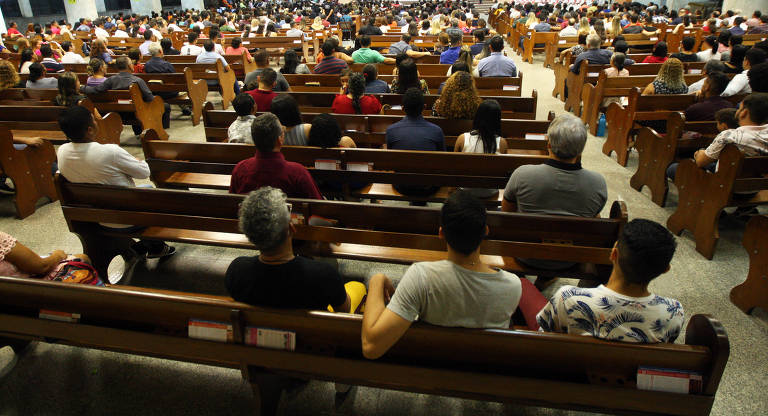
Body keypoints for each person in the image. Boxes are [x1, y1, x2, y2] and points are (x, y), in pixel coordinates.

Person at [361, 190, 523, 359]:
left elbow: (370, 347)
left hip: (432, 367)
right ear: (486, 231)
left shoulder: (421, 277)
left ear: (441, 234)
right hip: (484, 372)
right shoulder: (513, 286)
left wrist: (376, 280)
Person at [537, 219, 683, 343]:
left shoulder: (568, 298)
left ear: (613, 253)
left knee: (524, 286)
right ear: (666, 269)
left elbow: (544, 335)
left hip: (568, 370)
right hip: (630, 375)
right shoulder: (674, 312)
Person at [56, 105, 174, 258]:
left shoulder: (62, 152)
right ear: (90, 130)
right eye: (94, 120)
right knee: (153, 194)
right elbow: (144, 171)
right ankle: (155, 246)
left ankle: (140, 246)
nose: (97, 122)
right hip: (130, 218)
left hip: (96, 218)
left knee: (145, 189)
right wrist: (136, 161)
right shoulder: (110, 152)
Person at [225, 187, 363, 312]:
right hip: (314, 335)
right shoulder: (323, 274)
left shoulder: (236, 270)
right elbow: (344, 310)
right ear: (291, 229)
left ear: (250, 235)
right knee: (358, 286)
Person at [229, 112, 322, 198]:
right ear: (280, 139)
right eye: (282, 131)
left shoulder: (240, 169)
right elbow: (318, 206)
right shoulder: (298, 173)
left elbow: (231, 204)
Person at [81, 56, 171, 134]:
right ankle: (159, 130)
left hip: (119, 113)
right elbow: (150, 98)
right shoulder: (137, 81)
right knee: (165, 106)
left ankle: (139, 132)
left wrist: (80, 87)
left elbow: (95, 90)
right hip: (137, 113)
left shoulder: (111, 80)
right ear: (129, 66)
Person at [693, 93, 768, 168]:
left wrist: (701, 152)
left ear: (744, 112)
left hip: (728, 178)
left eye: (739, 108)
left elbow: (701, 162)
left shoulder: (729, 136)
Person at [0, 231, 100, 284]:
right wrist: (58, 255)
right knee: (82, 258)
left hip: (9, 297)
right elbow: (42, 267)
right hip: (31, 291)